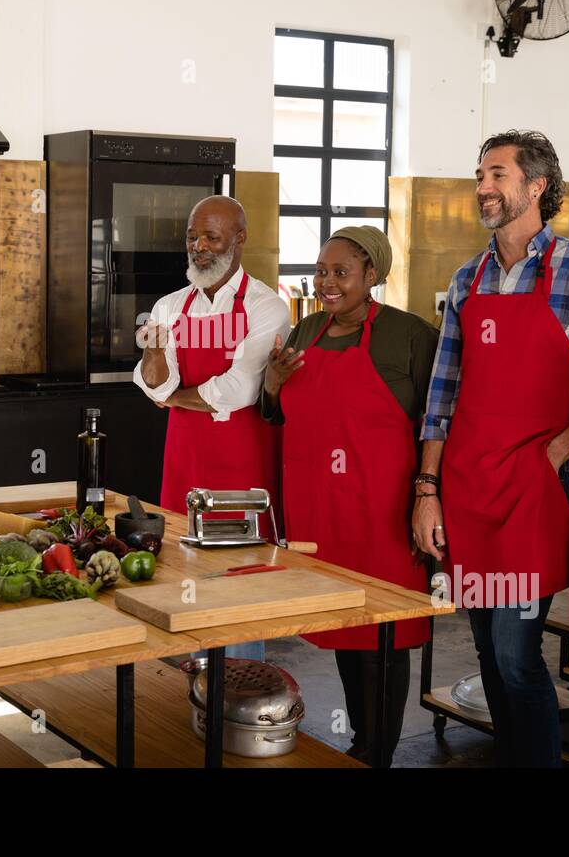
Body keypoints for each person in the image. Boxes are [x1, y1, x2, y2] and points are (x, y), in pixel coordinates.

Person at [412, 129, 569, 767]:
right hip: (468, 485)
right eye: (480, 174)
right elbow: (441, 393)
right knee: (485, 651)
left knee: (514, 653)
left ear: (535, 186)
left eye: (497, 175)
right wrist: (429, 491)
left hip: (532, 488)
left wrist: (555, 455)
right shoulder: (466, 278)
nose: (483, 187)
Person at [261, 225, 438, 764]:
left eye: (340, 273)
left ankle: (376, 749)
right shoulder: (305, 330)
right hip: (317, 509)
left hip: (381, 506)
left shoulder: (410, 336)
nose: (326, 283)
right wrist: (271, 383)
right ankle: (362, 742)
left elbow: (438, 421)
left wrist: (429, 495)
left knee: (383, 630)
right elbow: (275, 414)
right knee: (341, 624)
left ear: (373, 276)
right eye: (321, 271)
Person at [134, 194, 290, 661]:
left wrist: (174, 396)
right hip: (184, 460)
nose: (198, 247)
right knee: (182, 570)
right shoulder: (169, 305)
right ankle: (191, 687)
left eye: (211, 237)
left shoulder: (266, 307)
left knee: (238, 581)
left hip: (240, 465)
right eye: (192, 237)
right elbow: (153, 381)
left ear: (240, 239)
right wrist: (158, 361)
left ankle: (241, 688)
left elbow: (239, 388)